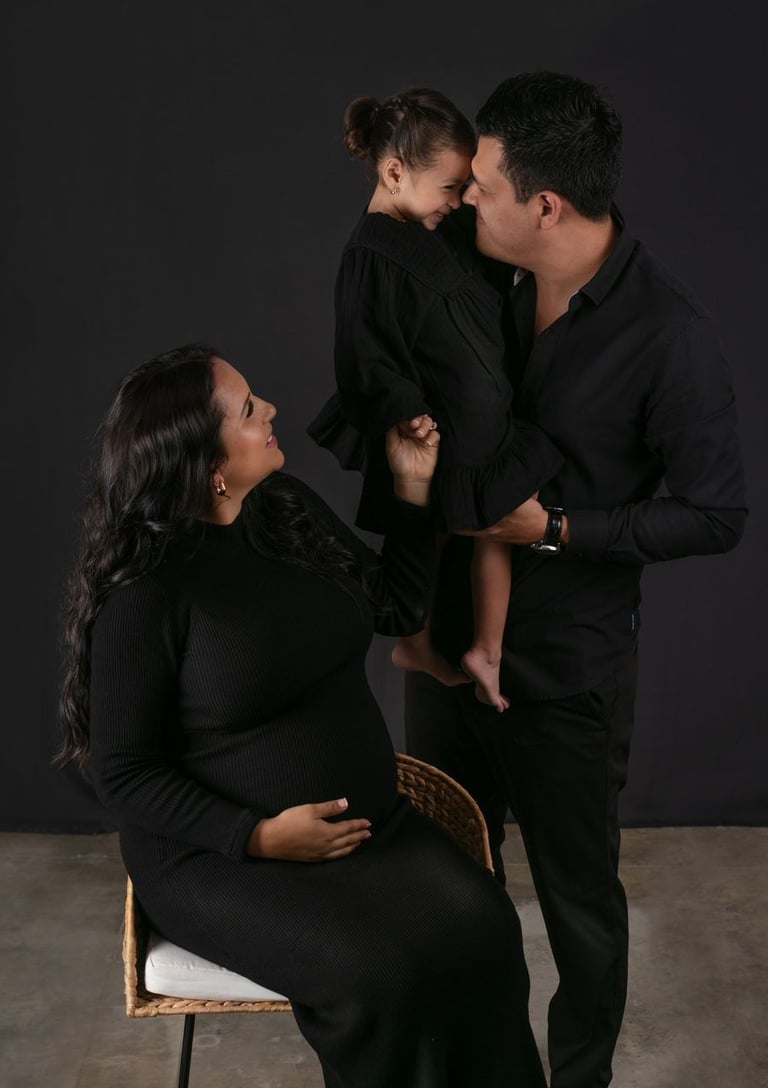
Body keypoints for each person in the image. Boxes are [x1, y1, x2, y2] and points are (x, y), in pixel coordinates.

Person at [57, 343, 547, 1088]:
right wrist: (254, 835)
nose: (273, 410)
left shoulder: (282, 510)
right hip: (219, 860)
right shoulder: (146, 591)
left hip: (368, 832)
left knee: (484, 927)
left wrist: (413, 490)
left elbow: (395, 603)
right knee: (377, 975)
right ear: (205, 457)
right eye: (251, 410)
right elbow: (121, 772)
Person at [403, 72, 747, 1088]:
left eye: (486, 185)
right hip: (441, 654)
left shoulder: (670, 336)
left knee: (581, 916)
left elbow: (718, 512)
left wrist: (555, 526)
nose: (468, 197)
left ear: (543, 204)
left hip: (569, 679)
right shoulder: (473, 268)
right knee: (442, 894)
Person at [308, 87, 563, 711]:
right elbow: (363, 353)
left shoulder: (435, 226)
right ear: (394, 172)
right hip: (434, 423)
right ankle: (440, 645)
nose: (461, 200)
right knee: (440, 526)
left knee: (462, 527)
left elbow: (472, 288)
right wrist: (402, 411)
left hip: (478, 412)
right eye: (451, 188)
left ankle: (466, 646)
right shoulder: (370, 254)